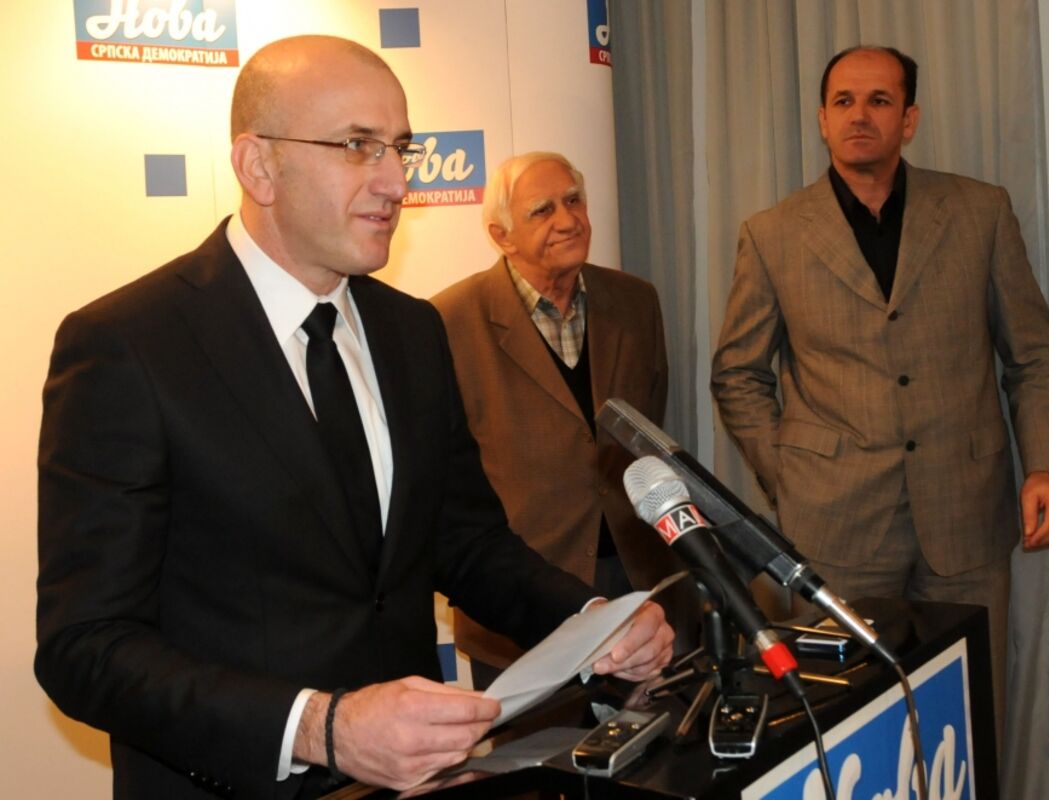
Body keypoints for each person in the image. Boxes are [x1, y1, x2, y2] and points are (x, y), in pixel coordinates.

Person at [35, 35, 673, 799]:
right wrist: (319, 727)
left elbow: (464, 542)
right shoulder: (129, 344)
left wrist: (593, 620)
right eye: (357, 146)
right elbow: (85, 646)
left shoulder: (412, 330)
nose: (398, 182)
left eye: (401, 148)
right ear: (258, 166)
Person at [710, 45, 1049, 731]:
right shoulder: (772, 235)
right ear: (822, 119)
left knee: (967, 720)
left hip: (966, 518)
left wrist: (1046, 469)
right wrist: (792, 475)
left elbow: (1034, 358)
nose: (860, 115)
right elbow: (737, 374)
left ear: (909, 119)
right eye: (844, 101)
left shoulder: (980, 212)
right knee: (844, 726)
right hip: (834, 531)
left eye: (879, 100)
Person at [432, 152, 684, 687]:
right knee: (543, 742)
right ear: (501, 235)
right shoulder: (447, 321)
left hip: (638, 582)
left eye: (573, 201)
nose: (568, 220)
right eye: (543, 210)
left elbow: (647, 424)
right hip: (521, 599)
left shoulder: (636, 301)